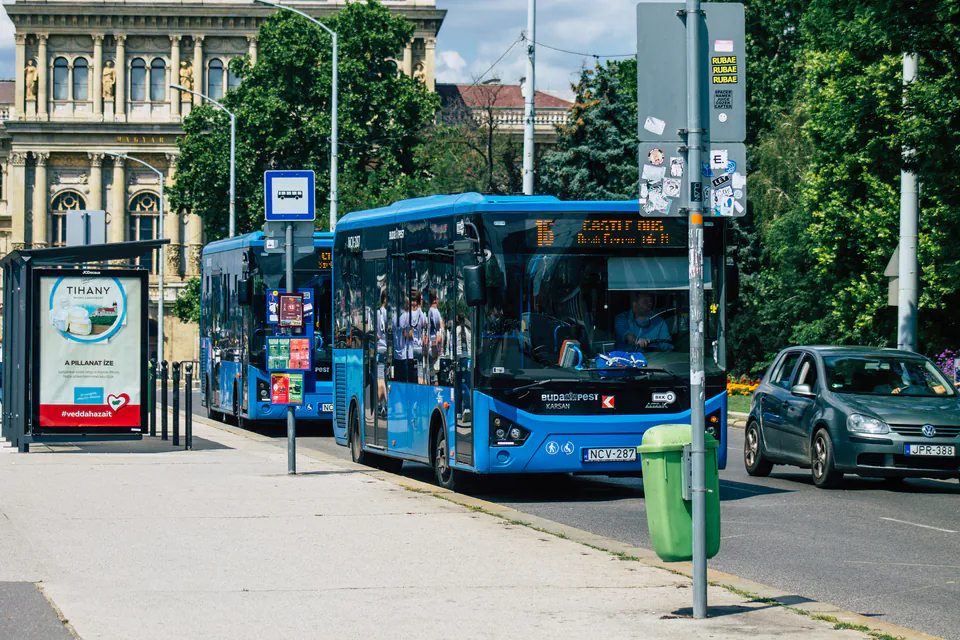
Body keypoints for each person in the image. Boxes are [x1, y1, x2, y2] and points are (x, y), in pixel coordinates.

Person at [398, 288, 427, 383]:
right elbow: (424, 329)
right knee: (420, 374)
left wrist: (411, 336)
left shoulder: (406, 315)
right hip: (419, 349)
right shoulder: (422, 314)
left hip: (410, 351)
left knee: (411, 378)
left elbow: (405, 334)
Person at [426, 289, 444, 385]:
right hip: (433, 347)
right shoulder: (434, 311)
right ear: (435, 299)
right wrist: (436, 349)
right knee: (433, 374)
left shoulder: (431, 311)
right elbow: (438, 330)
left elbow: (436, 331)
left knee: (433, 375)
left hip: (432, 347)